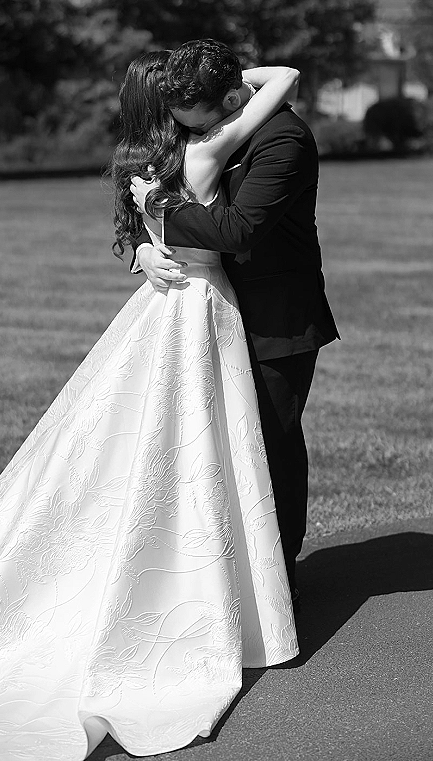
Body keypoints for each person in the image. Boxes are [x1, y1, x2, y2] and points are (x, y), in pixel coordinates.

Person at [0, 52, 301, 761]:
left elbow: (151, 225)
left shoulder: (143, 168)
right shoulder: (209, 146)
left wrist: (150, 242)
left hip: (158, 308)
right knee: (198, 443)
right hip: (201, 307)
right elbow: (288, 78)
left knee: (132, 440)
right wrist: (235, 76)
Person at [131, 39, 340, 599]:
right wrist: (143, 247)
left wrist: (159, 212)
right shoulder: (204, 118)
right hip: (202, 314)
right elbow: (158, 177)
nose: (193, 137)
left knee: (271, 444)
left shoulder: (284, 140)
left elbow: (240, 230)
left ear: (231, 99)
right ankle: (214, 576)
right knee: (201, 445)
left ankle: (279, 585)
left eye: (198, 123)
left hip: (276, 323)